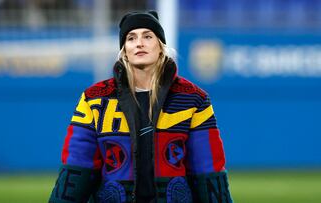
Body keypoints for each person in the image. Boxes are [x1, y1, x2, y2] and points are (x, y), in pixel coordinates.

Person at [49, 10, 233, 203]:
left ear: (161, 46)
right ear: (124, 50)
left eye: (147, 36)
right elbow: (78, 166)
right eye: (131, 38)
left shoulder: (194, 98)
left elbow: (208, 169)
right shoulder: (94, 99)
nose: (139, 43)